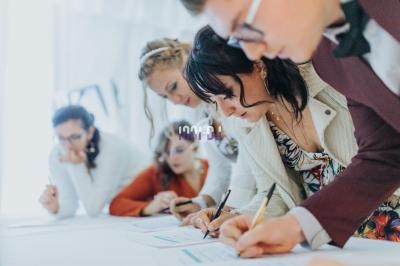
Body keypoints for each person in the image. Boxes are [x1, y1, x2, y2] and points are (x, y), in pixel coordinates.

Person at [180, 0, 400, 255]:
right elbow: (385, 153)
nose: (251, 52)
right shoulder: (331, 58)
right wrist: (293, 226)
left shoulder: (320, 72)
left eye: (244, 26)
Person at [137, 38, 242, 223]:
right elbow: (220, 168)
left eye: (173, 87)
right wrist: (200, 202)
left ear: (188, 63)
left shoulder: (230, 98)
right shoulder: (200, 114)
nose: (175, 100)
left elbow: (249, 165)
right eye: (165, 97)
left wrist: (231, 209)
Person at [39, 105, 147, 218]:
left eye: (75, 137)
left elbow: (93, 209)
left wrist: (76, 165)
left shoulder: (113, 149)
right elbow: (69, 204)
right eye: (61, 138)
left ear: (90, 132)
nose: (68, 146)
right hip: (124, 205)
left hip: (149, 195)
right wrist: (55, 208)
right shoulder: (57, 153)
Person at [109, 120, 209, 217]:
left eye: (179, 150)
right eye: (167, 152)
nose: (172, 158)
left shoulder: (214, 169)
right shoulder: (156, 173)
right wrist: (149, 207)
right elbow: (116, 203)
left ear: (195, 147)